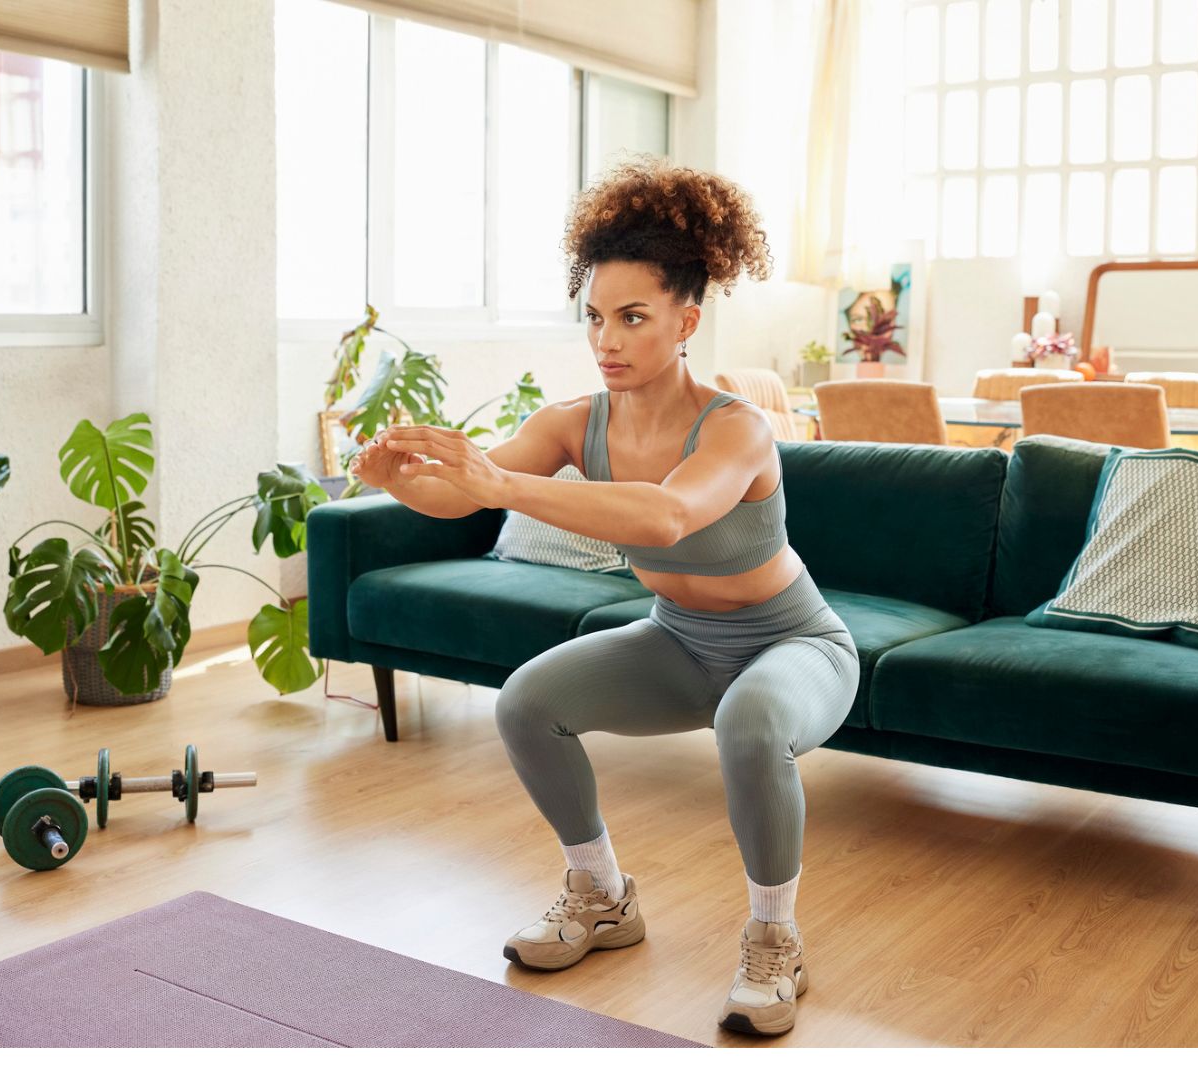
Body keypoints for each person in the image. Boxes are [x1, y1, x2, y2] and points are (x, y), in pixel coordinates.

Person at [350, 154, 858, 1037]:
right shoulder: (573, 422)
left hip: (792, 646)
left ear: (686, 320)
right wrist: (397, 478)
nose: (607, 340)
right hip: (678, 642)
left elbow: (665, 517)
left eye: (632, 317)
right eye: (595, 318)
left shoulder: (734, 428)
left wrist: (496, 487)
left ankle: (775, 940)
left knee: (752, 725)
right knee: (528, 703)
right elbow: (465, 491)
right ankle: (602, 894)